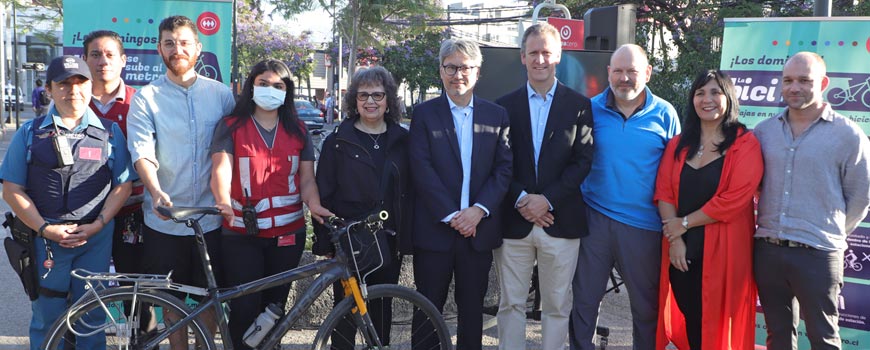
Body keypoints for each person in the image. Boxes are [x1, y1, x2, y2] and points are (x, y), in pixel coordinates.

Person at [0, 55, 135, 349]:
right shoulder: (29, 133)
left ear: (91, 86)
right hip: (46, 240)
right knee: (47, 320)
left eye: (80, 82)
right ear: (49, 89)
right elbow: (11, 190)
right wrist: (45, 229)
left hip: (94, 240)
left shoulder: (111, 133)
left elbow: (123, 186)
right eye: (63, 84)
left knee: (92, 320)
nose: (73, 90)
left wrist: (98, 225)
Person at [126, 15, 235, 348]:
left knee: (209, 299)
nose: (177, 50)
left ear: (198, 48)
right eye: (170, 43)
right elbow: (142, 152)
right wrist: (155, 190)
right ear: (159, 48)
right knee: (170, 303)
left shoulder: (222, 95)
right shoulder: (146, 98)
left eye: (184, 42)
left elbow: (234, 151)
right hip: (165, 220)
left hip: (211, 219)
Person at [209, 58, 332, 349]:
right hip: (240, 233)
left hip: (288, 234)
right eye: (263, 83)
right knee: (244, 310)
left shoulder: (298, 130)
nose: (270, 90)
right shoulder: (231, 126)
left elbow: (306, 180)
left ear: (286, 91)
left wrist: (313, 205)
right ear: (250, 85)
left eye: (278, 85)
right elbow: (220, 169)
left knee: (274, 310)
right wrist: (223, 201)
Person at [753, 52, 870, 349]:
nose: (794, 87)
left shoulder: (849, 136)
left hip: (818, 255)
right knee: (777, 336)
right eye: (788, 80)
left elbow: (861, 195)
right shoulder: (764, 132)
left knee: (823, 338)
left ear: (824, 82)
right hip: (768, 251)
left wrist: (830, 232)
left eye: (804, 80)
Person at [569, 44, 681, 350]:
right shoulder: (589, 109)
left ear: (647, 72)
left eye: (632, 71)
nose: (624, 78)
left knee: (646, 309)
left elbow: (675, 174)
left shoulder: (665, 113)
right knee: (584, 303)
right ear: (608, 73)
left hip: (644, 225)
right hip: (594, 220)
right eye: (618, 71)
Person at [493, 23, 594, 349]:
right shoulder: (503, 106)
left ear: (558, 56)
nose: (540, 59)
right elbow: (498, 163)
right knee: (510, 305)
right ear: (522, 57)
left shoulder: (580, 104)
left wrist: (545, 200)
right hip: (514, 220)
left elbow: (582, 161)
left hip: (560, 220)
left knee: (557, 306)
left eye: (546, 52)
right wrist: (523, 199)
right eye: (533, 53)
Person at [408, 38, 512, 350]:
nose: (458, 75)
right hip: (435, 230)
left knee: (471, 310)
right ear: (440, 71)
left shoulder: (497, 116)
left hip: (477, 231)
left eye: (465, 68)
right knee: (427, 308)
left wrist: (478, 210)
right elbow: (421, 169)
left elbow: (503, 169)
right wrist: (454, 215)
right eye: (451, 67)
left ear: (477, 72)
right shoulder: (424, 114)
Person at [653, 69, 763, 349]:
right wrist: (675, 238)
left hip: (725, 252)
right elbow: (664, 192)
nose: (707, 99)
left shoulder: (745, 144)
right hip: (681, 251)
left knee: (717, 324)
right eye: (700, 92)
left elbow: (733, 200)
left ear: (729, 97)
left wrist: (684, 223)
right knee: (693, 319)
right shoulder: (678, 145)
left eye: (715, 92)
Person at [314, 65, 412, 348]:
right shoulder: (337, 142)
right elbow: (325, 195)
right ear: (354, 101)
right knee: (344, 316)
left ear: (389, 99)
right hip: (349, 240)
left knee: (381, 313)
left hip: (388, 240)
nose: (370, 102)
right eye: (363, 95)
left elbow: (410, 192)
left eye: (378, 95)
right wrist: (327, 244)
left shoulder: (403, 140)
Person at [81, 29, 154, 330]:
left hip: (132, 214)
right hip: (83, 214)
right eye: (95, 55)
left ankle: (143, 343)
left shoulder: (142, 102)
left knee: (138, 296)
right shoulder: (71, 101)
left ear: (124, 60)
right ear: (84, 59)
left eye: (110, 54)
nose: (103, 61)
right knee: (82, 295)